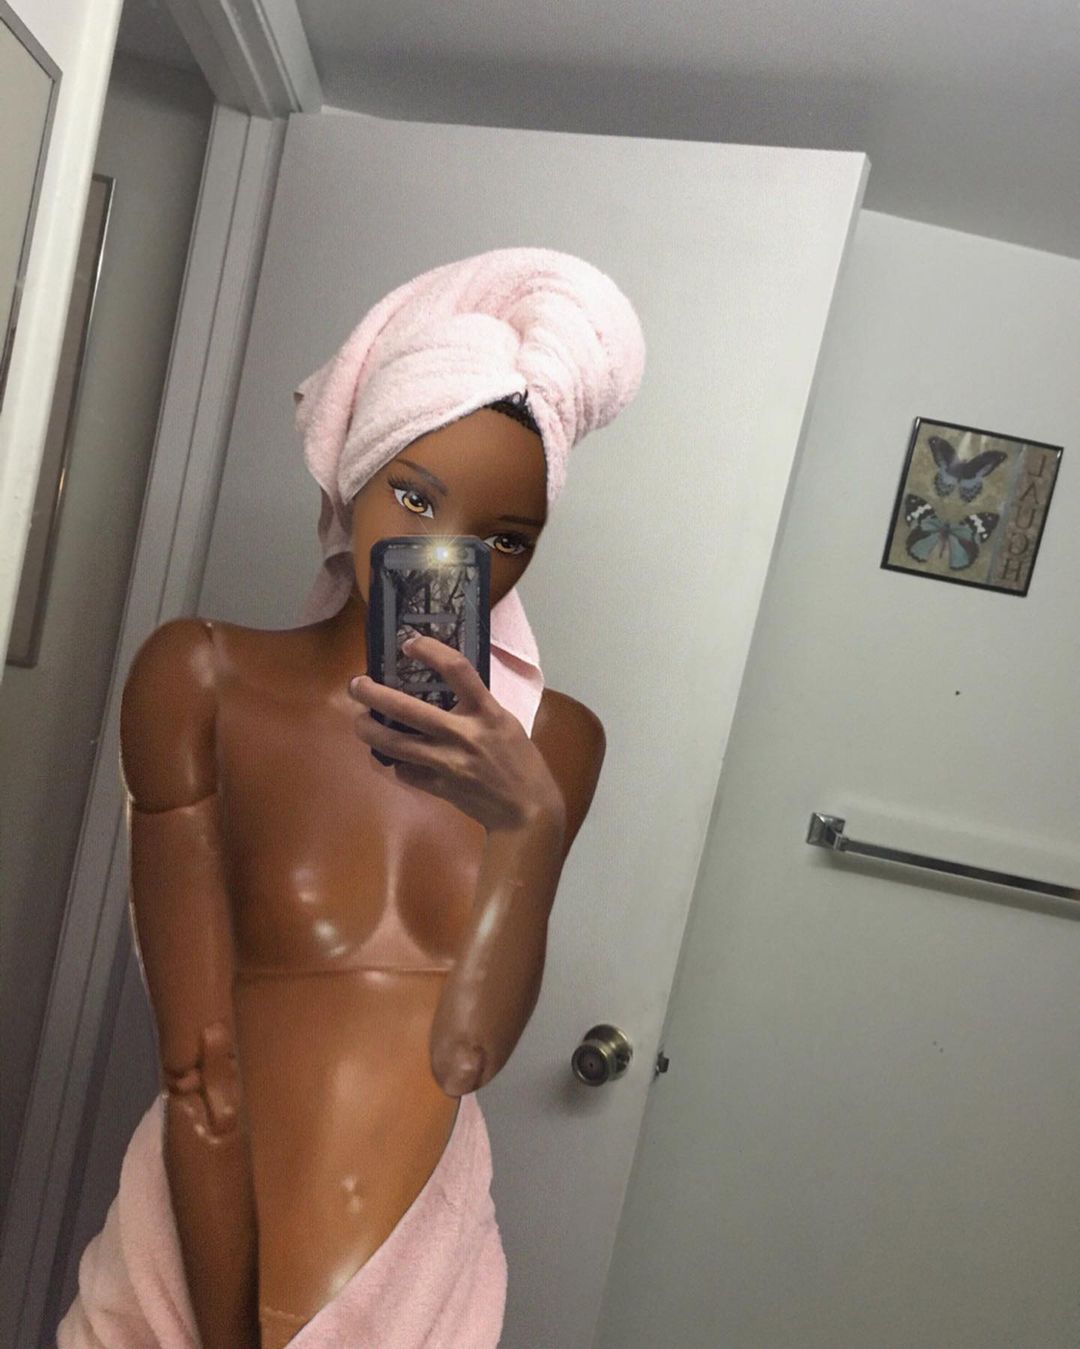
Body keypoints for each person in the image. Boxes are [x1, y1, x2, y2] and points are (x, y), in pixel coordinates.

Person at [58, 248, 645, 1348]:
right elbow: (196, 1065)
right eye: (416, 495)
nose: (449, 554)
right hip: (196, 1271)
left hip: (424, 1283)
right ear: (354, 475)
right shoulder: (203, 678)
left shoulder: (557, 743)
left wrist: (526, 825)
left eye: (505, 537)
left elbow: (470, 1056)